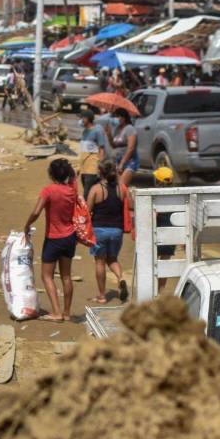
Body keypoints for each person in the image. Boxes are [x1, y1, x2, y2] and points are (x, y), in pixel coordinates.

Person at [21, 158, 79, 322]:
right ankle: (66, 313)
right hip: (70, 237)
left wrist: (27, 225)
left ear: (51, 174)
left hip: (54, 238)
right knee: (66, 276)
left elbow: (36, 212)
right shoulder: (71, 191)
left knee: (47, 276)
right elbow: (74, 179)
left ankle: (56, 312)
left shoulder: (48, 191)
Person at [85, 161, 129, 304]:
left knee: (100, 262)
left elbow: (87, 210)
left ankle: (102, 296)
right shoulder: (121, 188)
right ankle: (121, 278)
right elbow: (131, 205)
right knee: (112, 259)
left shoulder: (96, 189)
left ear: (100, 172)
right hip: (117, 231)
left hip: (99, 230)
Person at [105, 108, 138, 190]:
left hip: (129, 161)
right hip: (118, 160)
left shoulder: (129, 129)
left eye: (118, 116)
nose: (116, 119)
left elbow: (131, 148)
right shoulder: (117, 129)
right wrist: (109, 135)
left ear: (124, 117)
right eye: (115, 116)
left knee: (122, 187)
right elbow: (114, 146)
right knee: (117, 187)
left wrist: (122, 164)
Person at [77, 109, 105, 198]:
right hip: (84, 167)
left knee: (87, 194)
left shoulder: (97, 131)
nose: (80, 120)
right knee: (87, 191)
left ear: (87, 119)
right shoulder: (85, 131)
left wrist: (99, 166)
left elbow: (102, 149)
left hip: (92, 167)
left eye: (82, 118)